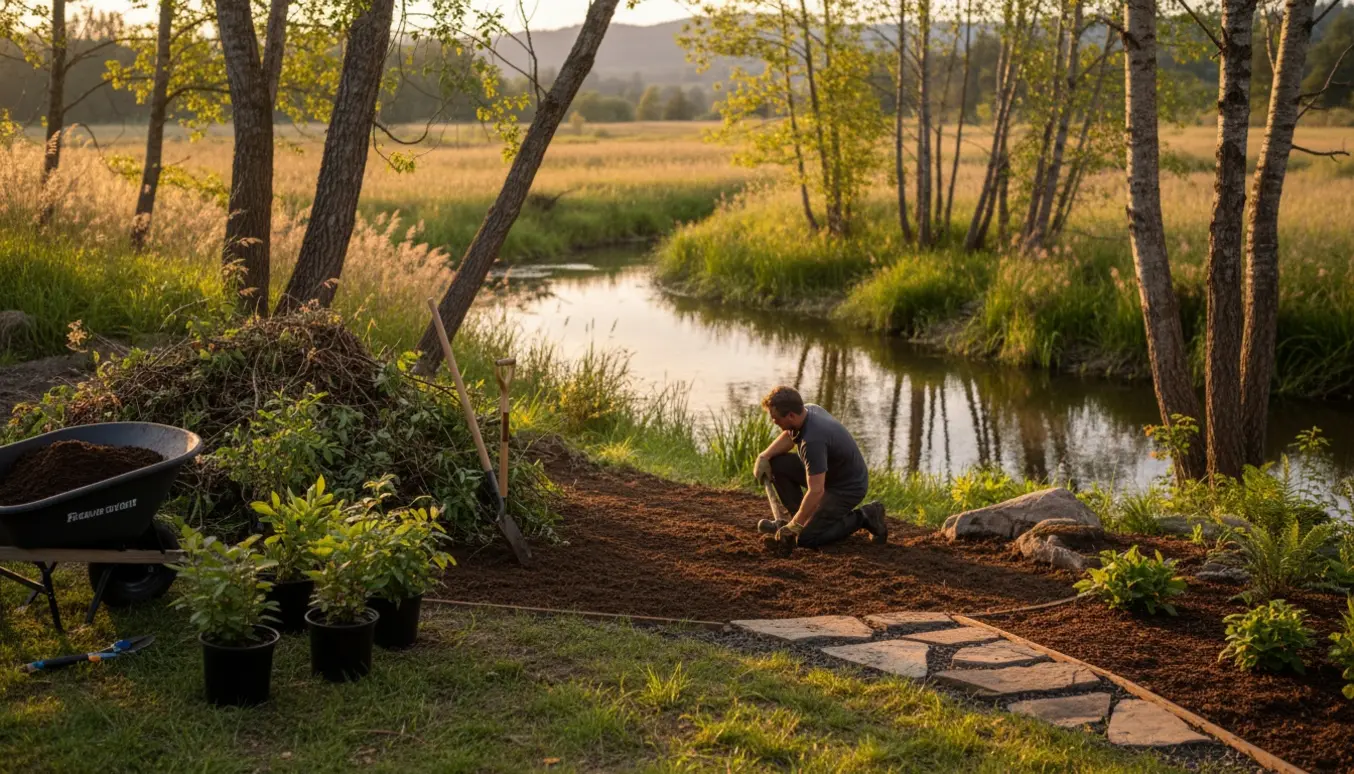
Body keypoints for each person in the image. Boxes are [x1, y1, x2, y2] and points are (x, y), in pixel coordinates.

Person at [753, 385, 887, 551]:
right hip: (826, 473)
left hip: (847, 487)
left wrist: (796, 526)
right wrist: (765, 456)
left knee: (807, 539)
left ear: (791, 415)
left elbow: (816, 491)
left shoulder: (812, 442)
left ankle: (866, 516)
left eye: (775, 419)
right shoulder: (808, 410)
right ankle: (800, 520)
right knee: (778, 464)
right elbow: (790, 435)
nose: (773, 421)